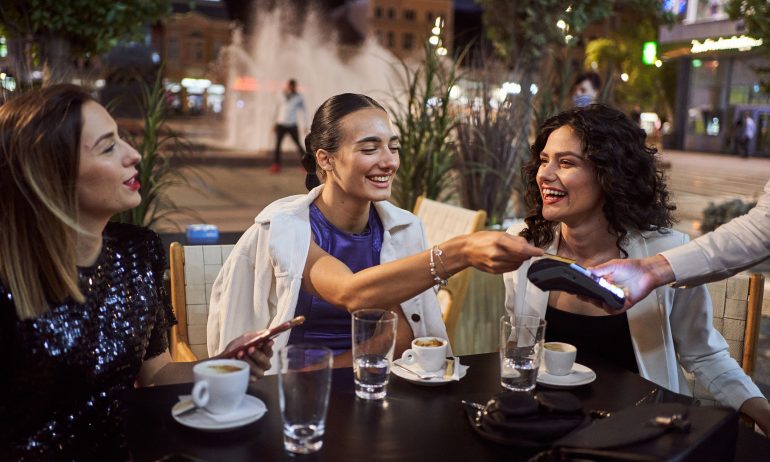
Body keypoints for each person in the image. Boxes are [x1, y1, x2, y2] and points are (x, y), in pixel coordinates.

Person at [0, 85, 272, 460]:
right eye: (108, 147)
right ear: (51, 174)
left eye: (122, 139)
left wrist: (223, 364)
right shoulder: (8, 278)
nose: (134, 155)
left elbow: (156, 373)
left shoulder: (137, 253)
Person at [208, 93, 544, 371]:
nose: (389, 162)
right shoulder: (288, 227)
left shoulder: (402, 229)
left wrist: (326, 371)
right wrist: (461, 251)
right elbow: (350, 292)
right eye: (370, 149)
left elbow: (400, 334)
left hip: (368, 379)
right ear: (325, 159)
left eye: (392, 147)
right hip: (286, 385)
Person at [502, 104, 770, 433]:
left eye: (566, 162)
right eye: (544, 160)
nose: (545, 174)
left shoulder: (666, 255)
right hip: (542, 425)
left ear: (609, 174)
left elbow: (703, 354)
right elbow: (517, 347)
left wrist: (761, 410)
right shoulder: (524, 246)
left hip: (643, 431)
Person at [591, 176, 770, 306]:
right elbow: (760, 227)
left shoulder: (666, 243)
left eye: (574, 163)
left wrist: (653, 270)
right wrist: (651, 270)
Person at [271, 78, 308, 173]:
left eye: (293, 86)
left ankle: (307, 165)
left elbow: (304, 111)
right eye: (290, 85)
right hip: (281, 124)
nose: (291, 87)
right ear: (288, 86)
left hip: (292, 124)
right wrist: (274, 123)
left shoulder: (299, 97)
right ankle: (276, 165)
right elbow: (276, 109)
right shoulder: (281, 94)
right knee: (277, 146)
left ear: (295, 86)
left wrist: (305, 125)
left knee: (298, 145)